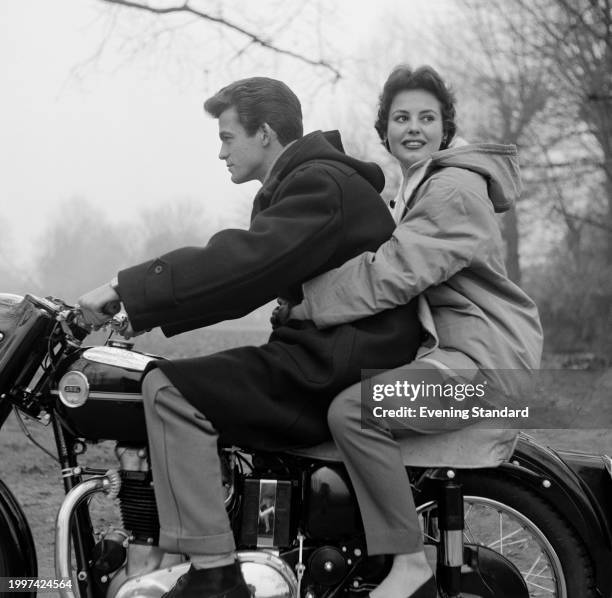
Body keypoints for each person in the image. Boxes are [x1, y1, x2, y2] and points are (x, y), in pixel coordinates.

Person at [77, 77, 424, 598]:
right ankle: (172, 554)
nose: (220, 152)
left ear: (264, 133)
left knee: (168, 388)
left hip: (335, 361)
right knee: (178, 380)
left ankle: (214, 573)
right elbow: (243, 283)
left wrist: (127, 286)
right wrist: (138, 311)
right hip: (329, 353)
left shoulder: (319, 184)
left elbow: (243, 261)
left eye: (227, 137)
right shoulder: (307, 183)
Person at [281, 65, 543, 598]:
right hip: (466, 353)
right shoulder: (421, 187)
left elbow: (394, 271)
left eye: (427, 117)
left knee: (353, 413)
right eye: (401, 118)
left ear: (445, 129)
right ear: (385, 130)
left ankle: (408, 560)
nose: (414, 128)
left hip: (481, 364)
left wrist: (307, 303)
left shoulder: (450, 190)